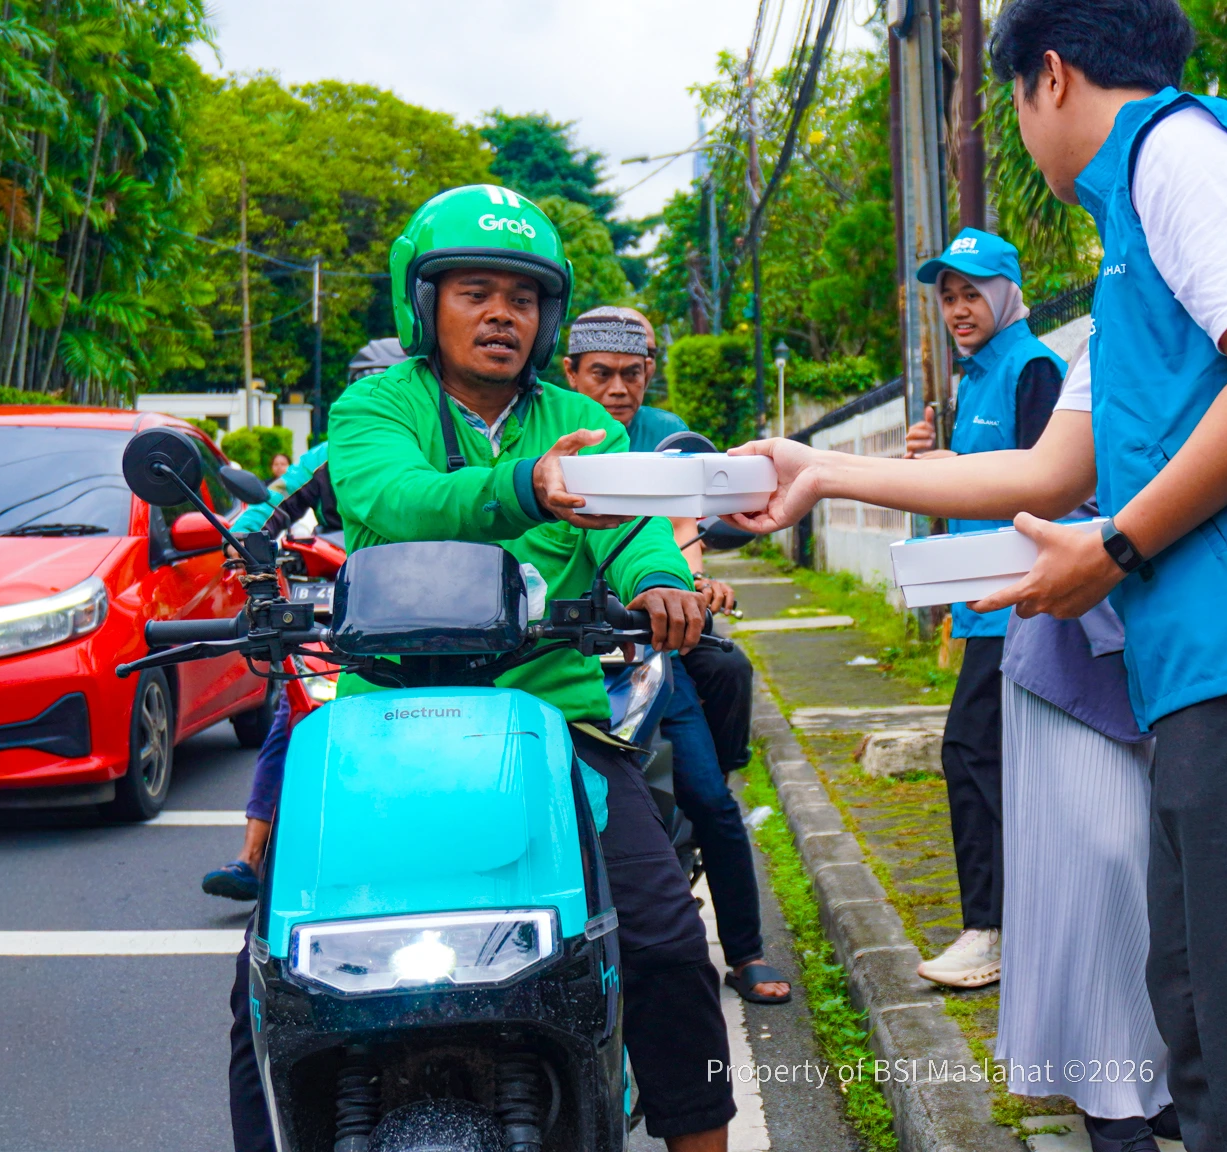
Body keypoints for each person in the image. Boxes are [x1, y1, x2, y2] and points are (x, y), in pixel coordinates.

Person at [724, 3, 1227, 1148]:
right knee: (1200, 1013)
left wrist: (1113, 548)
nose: (1019, 132)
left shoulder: (1178, 156)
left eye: (1009, 103)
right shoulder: (1132, 250)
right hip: (1217, 661)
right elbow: (1049, 468)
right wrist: (818, 470)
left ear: (1048, 79)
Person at [228, 184, 736, 1152]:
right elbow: (401, 500)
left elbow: (630, 529)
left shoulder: (580, 420)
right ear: (425, 304)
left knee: (669, 944)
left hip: (557, 722)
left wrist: (663, 580)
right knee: (269, 978)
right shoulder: (374, 406)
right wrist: (527, 487)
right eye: (474, 291)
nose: (502, 313)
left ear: (545, 317)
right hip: (385, 724)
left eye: (522, 296)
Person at [560, 308, 787, 1005]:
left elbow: (683, 527)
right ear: (570, 373)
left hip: (647, 652)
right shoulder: (547, 433)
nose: (618, 388)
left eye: (632, 373)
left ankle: (745, 951)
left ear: (650, 372)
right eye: (602, 374)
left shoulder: (669, 439)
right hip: (557, 651)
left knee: (710, 798)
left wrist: (686, 583)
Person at [989, 347, 1178, 1152]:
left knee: (1168, 882)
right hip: (1078, 638)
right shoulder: (1110, 341)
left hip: (1191, 639)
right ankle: (1109, 1095)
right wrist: (827, 472)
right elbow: (1042, 482)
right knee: (1098, 863)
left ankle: (1161, 1080)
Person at [899, 228, 1065, 989]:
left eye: (973, 293)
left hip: (1022, 603)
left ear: (1007, 291)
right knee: (997, 761)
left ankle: (992, 931)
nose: (959, 309)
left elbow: (1044, 485)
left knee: (971, 754)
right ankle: (1018, 926)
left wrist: (954, 468)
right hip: (985, 604)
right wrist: (936, 469)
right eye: (949, 296)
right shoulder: (979, 375)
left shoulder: (1034, 370)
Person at [199, 442, 335, 901]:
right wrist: (243, 542)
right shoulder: (342, 443)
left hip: (443, 618)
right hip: (342, 603)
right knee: (295, 712)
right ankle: (251, 858)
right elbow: (271, 500)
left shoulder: (462, 441)